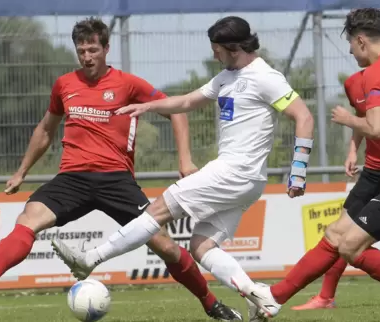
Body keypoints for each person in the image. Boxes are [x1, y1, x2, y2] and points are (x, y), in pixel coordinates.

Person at [0, 17, 242, 321]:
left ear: (106, 48)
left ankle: (212, 304)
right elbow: (46, 129)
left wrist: (185, 160)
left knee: (164, 246)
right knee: (28, 217)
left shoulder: (128, 84)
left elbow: (177, 112)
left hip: (116, 180)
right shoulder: (64, 84)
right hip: (72, 178)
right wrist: (22, 171)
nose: (87, 57)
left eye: (93, 50)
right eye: (81, 50)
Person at [50, 15, 314, 321]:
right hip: (245, 181)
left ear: (233, 47)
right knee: (200, 246)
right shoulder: (227, 76)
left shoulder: (266, 77)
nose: (213, 54)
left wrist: (298, 171)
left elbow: (303, 116)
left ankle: (90, 259)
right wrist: (148, 106)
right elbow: (188, 101)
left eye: (216, 48)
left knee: (157, 210)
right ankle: (259, 297)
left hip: (234, 173)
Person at [244, 8, 380, 320]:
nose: (349, 49)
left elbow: (376, 128)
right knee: (337, 236)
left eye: (350, 43)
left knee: (350, 245)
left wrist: (349, 120)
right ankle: (274, 297)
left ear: (361, 40)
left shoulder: (377, 73)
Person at [291, 70, 380, 310]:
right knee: (341, 235)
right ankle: (325, 297)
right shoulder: (354, 82)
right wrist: (353, 151)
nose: (350, 49)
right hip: (373, 173)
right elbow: (363, 119)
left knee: (349, 240)